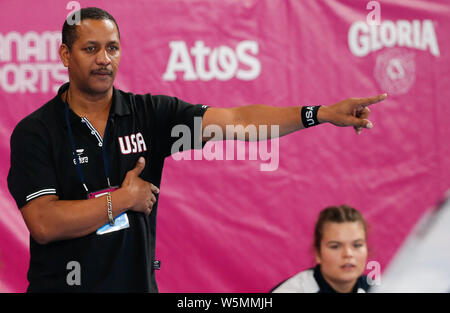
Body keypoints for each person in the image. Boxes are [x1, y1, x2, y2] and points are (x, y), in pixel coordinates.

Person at [7, 7, 386, 292]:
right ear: (64, 55)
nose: (104, 59)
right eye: (91, 48)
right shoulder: (36, 131)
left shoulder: (150, 114)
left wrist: (318, 113)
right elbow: (43, 224)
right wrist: (121, 201)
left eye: (112, 48)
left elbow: (238, 120)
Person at [271, 205, 371, 293]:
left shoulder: (377, 288)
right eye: (335, 246)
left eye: (357, 245)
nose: (348, 253)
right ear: (318, 253)